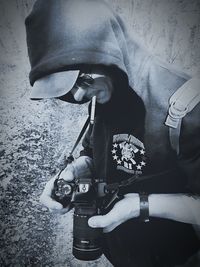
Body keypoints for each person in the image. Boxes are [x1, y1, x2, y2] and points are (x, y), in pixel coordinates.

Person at [25, 0, 200, 266]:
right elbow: (95, 153)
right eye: (68, 90)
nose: (80, 96)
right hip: (120, 252)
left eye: (82, 80)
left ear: (108, 52)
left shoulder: (184, 106)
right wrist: (73, 173)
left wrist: (137, 206)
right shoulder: (105, 88)